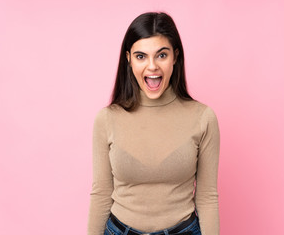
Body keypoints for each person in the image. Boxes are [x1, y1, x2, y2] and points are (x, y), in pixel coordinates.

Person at [87, 12, 220, 235]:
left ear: (175, 57)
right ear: (128, 59)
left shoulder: (203, 118)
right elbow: (101, 193)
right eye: (141, 56)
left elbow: (207, 197)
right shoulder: (106, 119)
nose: (152, 67)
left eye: (161, 55)